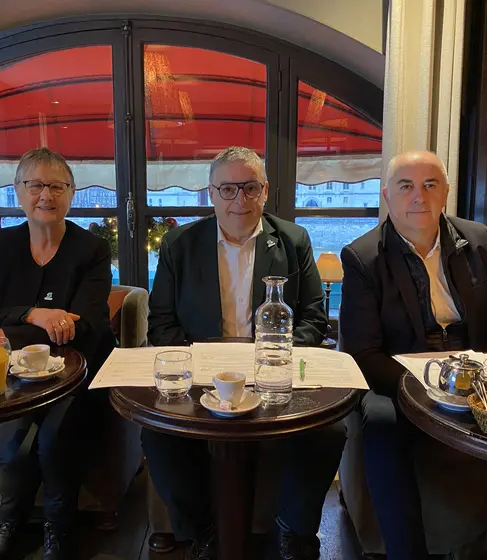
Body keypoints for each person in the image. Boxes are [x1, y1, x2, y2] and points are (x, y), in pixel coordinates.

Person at [145, 146, 345, 560]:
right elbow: (161, 323)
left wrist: (273, 359)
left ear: (265, 191)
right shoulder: (180, 244)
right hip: (203, 379)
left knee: (328, 433)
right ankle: (202, 532)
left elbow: (313, 318)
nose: (240, 200)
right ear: (211, 194)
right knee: (158, 435)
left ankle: (294, 531)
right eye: (228, 189)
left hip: (273, 374)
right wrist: (200, 367)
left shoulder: (292, 240)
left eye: (250, 188)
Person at [339, 150, 487, 559]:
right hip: (400, 379)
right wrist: (430, 394)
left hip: (481, 373)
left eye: (430, 185)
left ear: (445, 192)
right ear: (387, 195)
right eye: (406, 186)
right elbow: (363, 353)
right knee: (381, 423)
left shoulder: (479, 242)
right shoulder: (363, 257)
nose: (418, 197)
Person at [0, 147, 115, 559]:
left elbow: (85, 325)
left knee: (55, 441)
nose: (46, 195)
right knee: (9, 445)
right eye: (36, 185)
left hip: (79, 371)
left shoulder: (92, 248)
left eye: (57, 186)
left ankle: (58, 529)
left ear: (71, 193)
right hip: (12, 373)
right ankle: (10, 518)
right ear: (18, 191)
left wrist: (4, 327)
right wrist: (35, 314)